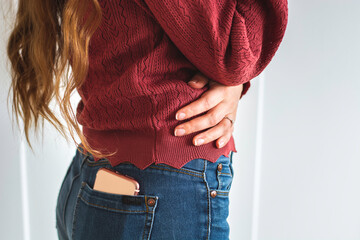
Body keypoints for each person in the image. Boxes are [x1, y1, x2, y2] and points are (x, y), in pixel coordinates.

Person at [6, 0, 288, 239]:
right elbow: (234, 51)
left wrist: (233, 82)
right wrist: (233, 79)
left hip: (97, 183)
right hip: (156, 195)